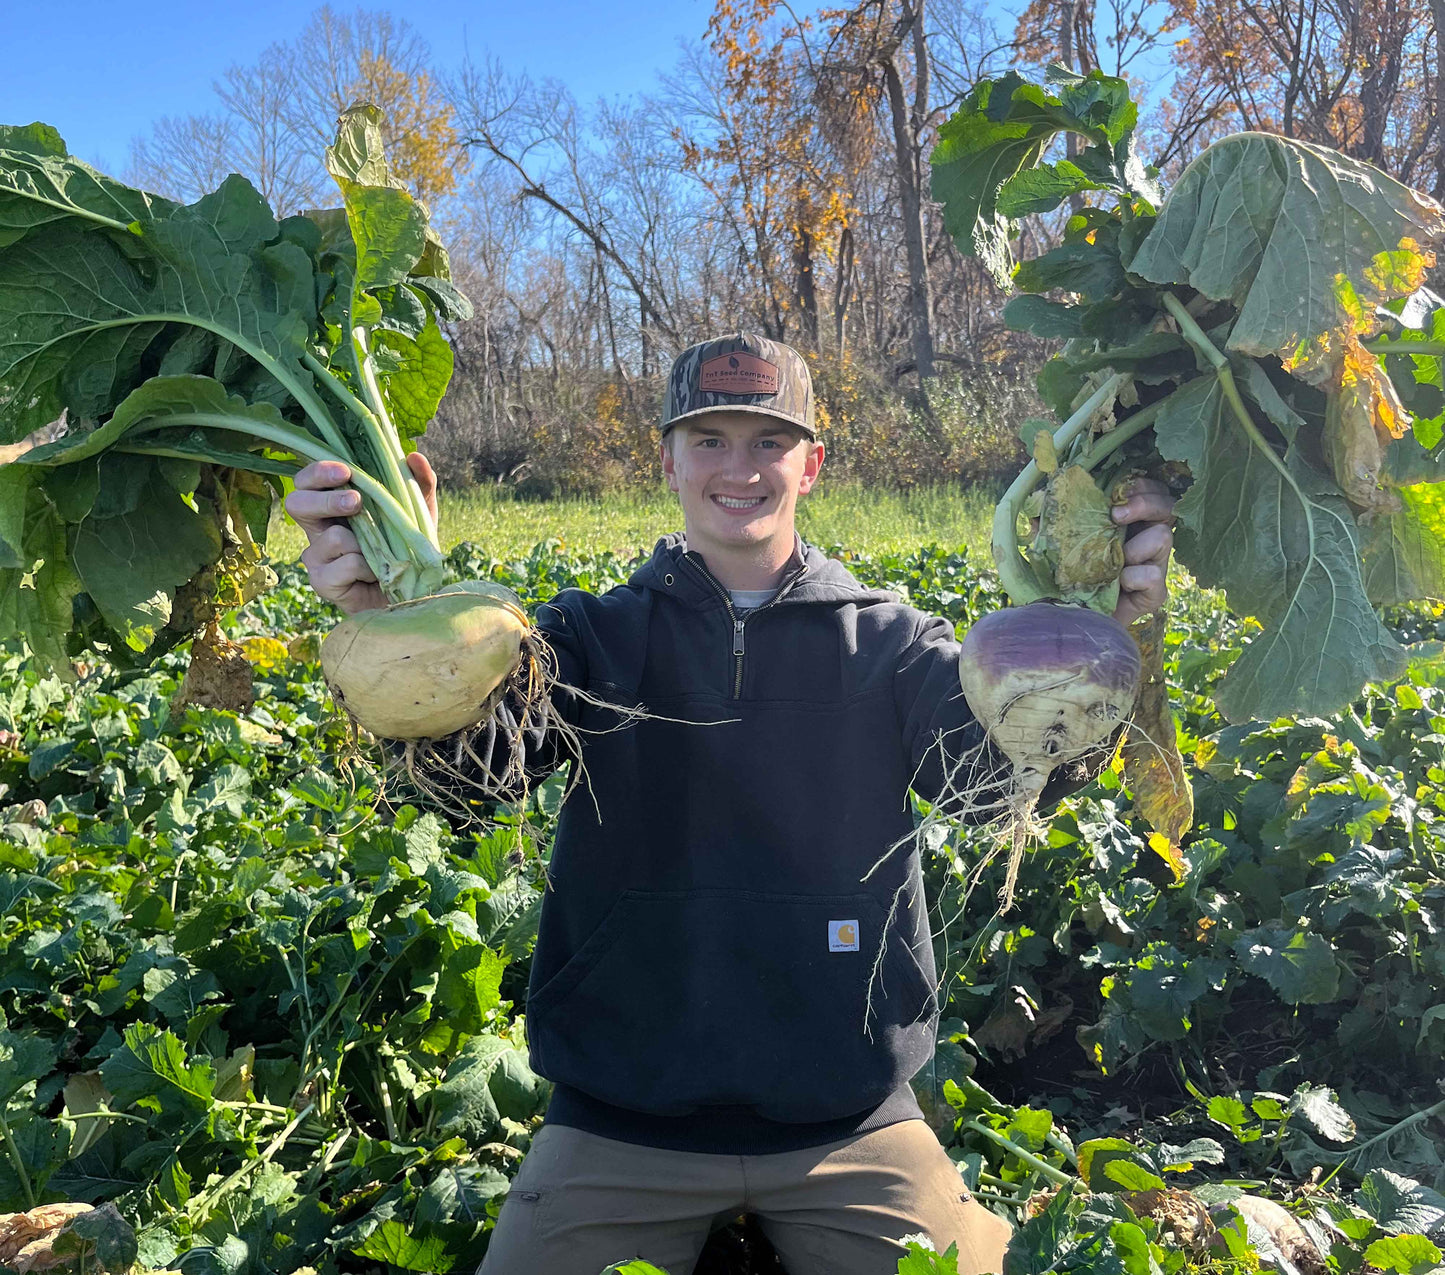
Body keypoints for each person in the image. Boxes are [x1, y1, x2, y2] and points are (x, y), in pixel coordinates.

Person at [286, 334, 1176, 1275]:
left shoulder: (893, 642)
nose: (738, 467)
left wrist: (1094, 636)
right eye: (708, 439)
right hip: (621, 1122)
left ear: (811, 464)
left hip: (851, 1122)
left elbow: (1000, 777)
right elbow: (473, 779)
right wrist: (391, 618)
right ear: (666, 459)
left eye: (767, 441)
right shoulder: (585, 636)